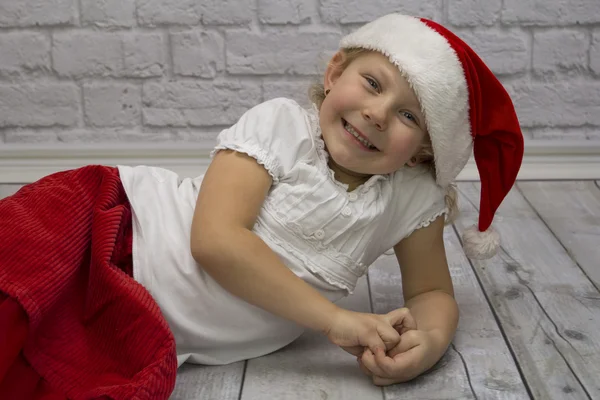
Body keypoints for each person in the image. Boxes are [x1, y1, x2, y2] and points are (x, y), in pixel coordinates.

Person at [0, 12, 524, 399]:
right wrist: (335, 320)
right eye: (371, 83)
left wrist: (428, 341)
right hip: (111, 230)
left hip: (142, 318)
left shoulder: (410, 198)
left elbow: (431, 289)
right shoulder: (283, 126)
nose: (377, 113)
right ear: (334, 73)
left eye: (410, 116)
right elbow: (215, 240)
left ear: (424, 153)